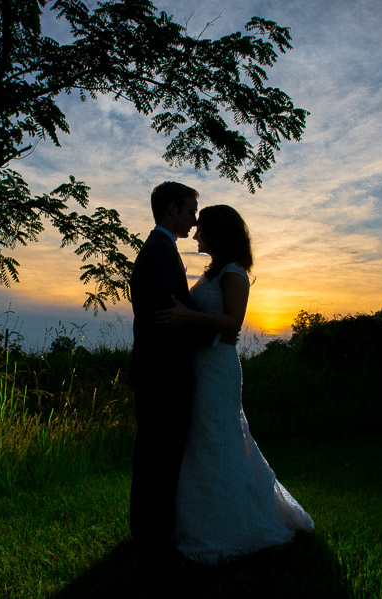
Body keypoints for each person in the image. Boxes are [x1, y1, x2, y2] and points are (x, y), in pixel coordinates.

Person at [156, 204, 314, 564]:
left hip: (218, 369)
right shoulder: (210, 274)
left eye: (202, 229)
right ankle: (195, 521)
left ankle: (232, 524)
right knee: (201, 441)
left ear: (218, 233)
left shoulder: (234, 272)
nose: (195, 234)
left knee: (218, 438)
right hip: (200, 364)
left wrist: (184, 316)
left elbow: (232, 325)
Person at [128, 181, 200, 552]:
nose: (194, 219)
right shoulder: (159, 251)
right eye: (190, 211)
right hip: (162, 372)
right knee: (159, 454)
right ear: (171, 210)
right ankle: (152, 536)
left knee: (156, 452)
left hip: (158, 370)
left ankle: (149, 531)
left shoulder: (161, 249)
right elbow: (165, 318)